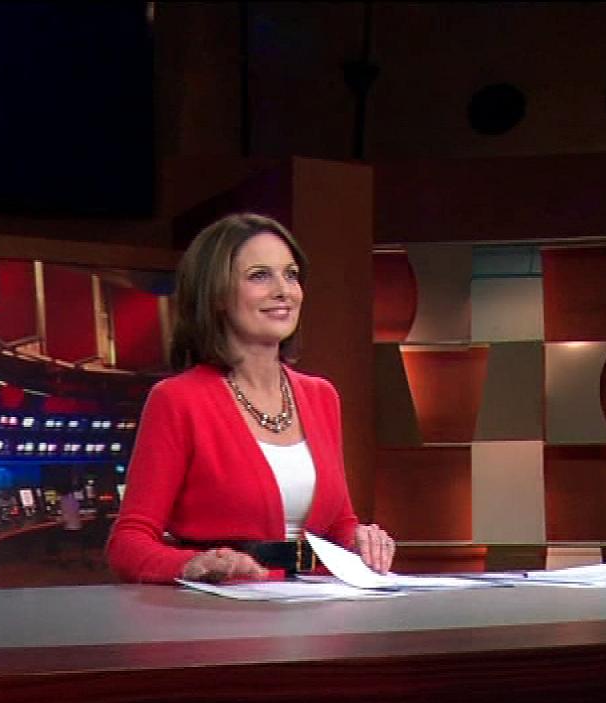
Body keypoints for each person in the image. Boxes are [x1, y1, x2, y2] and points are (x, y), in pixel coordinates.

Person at [106, 213, 396, 583]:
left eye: (291, 275)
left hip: (317, 606)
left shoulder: (321, 396)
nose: (284, 290)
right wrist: (192, 565)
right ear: (217, 294)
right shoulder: (177, 400)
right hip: (223, 610)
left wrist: (361, 540)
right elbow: (128, 542)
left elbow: (339, 523)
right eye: (260, 275)